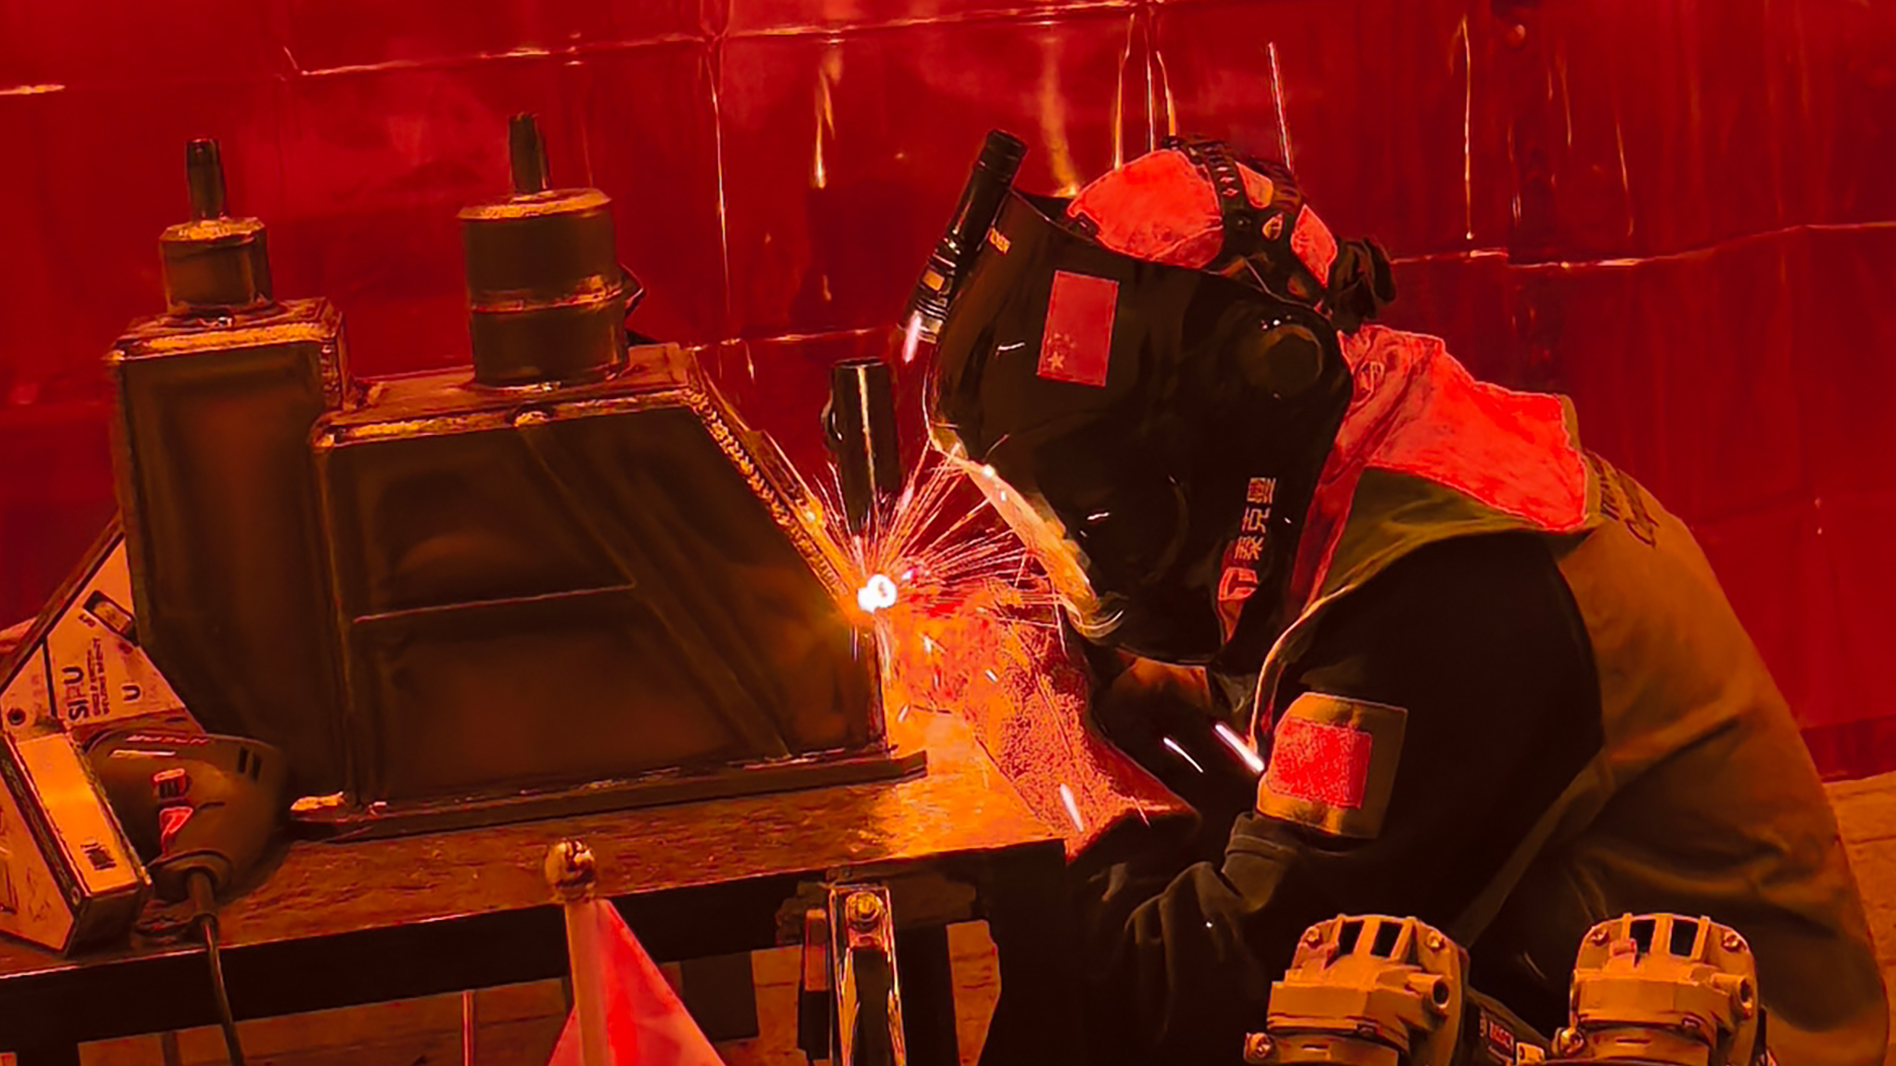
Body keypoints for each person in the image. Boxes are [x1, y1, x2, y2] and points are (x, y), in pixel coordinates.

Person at [923, 137, 1888, 1066]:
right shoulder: (1371, 461)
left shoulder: (1450, 606)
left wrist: (1059, 779)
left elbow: (1193, 999)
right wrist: (1122, 694)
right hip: (1563, 982)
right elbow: (1257, 719)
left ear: (1254, 391)